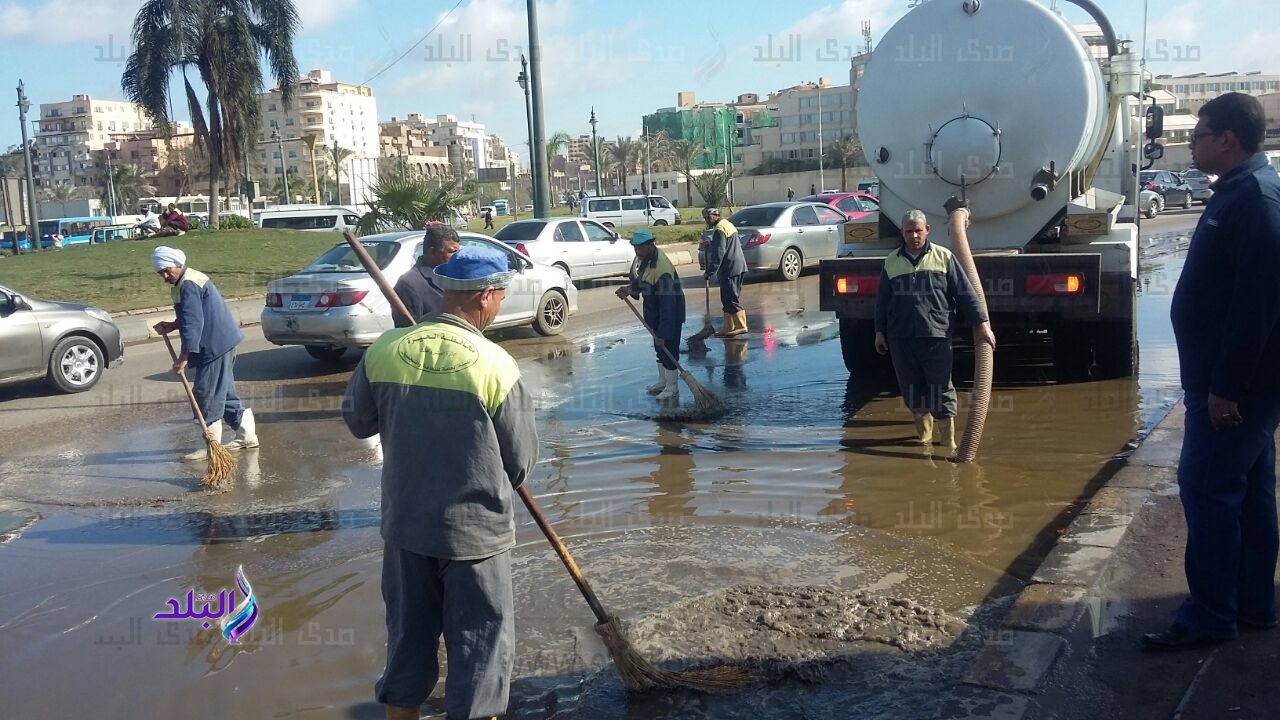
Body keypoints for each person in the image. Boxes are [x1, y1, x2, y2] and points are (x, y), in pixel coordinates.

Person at [343, 245, 538, 720]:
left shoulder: (385, 351)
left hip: (407, 530)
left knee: (408, 639)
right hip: (475, 537)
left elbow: (359, 422)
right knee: (479, 648)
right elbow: (520, 464)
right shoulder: (495, 365)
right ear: (487, 297)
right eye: (500, 297)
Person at [1142, 92, 1280, 651]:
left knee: (1208, 490)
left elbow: (1258, 306)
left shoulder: (1257, 200)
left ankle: (1209, 616)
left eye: (1198, 135)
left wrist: (1225, 387)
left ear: (1227, 139)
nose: (1191, 144)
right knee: (1248, 491)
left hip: (1236, 389)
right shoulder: (1240, 194)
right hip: (1238, 382)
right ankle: (1251, 604)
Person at [873, 208, 995, 447]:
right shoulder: (891, 261)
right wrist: (879, 331)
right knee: (911, 387)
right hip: (901, 337)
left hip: (936, 335)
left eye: (918, 230)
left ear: (927, 230)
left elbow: (966, 294)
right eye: (909, 231)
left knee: (940, 386)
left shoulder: (944, 257)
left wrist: (981, 325)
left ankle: (948, 441)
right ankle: (924, 438)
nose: (914, 236)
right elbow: (882, 301)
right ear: (902, 233)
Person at [150, 246, 257, 459]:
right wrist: (172, 325)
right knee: (224, 393)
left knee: (205, 394)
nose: (164, 276)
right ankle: (247, 436)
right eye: (159, 272)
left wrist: (183, 358)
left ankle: (210, 448)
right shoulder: (187, 279)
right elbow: (194, 314)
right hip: (223, 341)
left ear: (176, 264)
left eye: (166, 270)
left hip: (214, 345)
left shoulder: (188, 284)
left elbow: (193, 324)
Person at [616, 228, 686, 400]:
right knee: (659, 349)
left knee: (669, 349)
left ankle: (672, 387)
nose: (637, 252)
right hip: (655, 314)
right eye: (635, 248)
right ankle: (663, 381)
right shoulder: (648, 260)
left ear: (650, 245)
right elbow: (643, 280)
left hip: (669, 316)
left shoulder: (662, 270)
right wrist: (629, 288)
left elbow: (668, 306)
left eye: (639, 248)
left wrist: (663, 333)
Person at [392, 223, 461, 328]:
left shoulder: (455, 275)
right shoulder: (409, 284)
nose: (457, 257)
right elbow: (407, 331)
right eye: (452, 252)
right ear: (433, 252)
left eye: (458, 252)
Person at [702, 207, 747, 337]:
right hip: (736, 266)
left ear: (716, 215)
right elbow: (723, 245)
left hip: (730, 268)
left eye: (709, 217)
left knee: (731, 298)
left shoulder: (720, 229)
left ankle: (741, 325)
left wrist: (709, 272)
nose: (707, 220)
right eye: (705, 218)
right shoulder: (727, 225)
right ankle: (728, 327)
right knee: (727, 298)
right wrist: (710, 244)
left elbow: (719, 253)